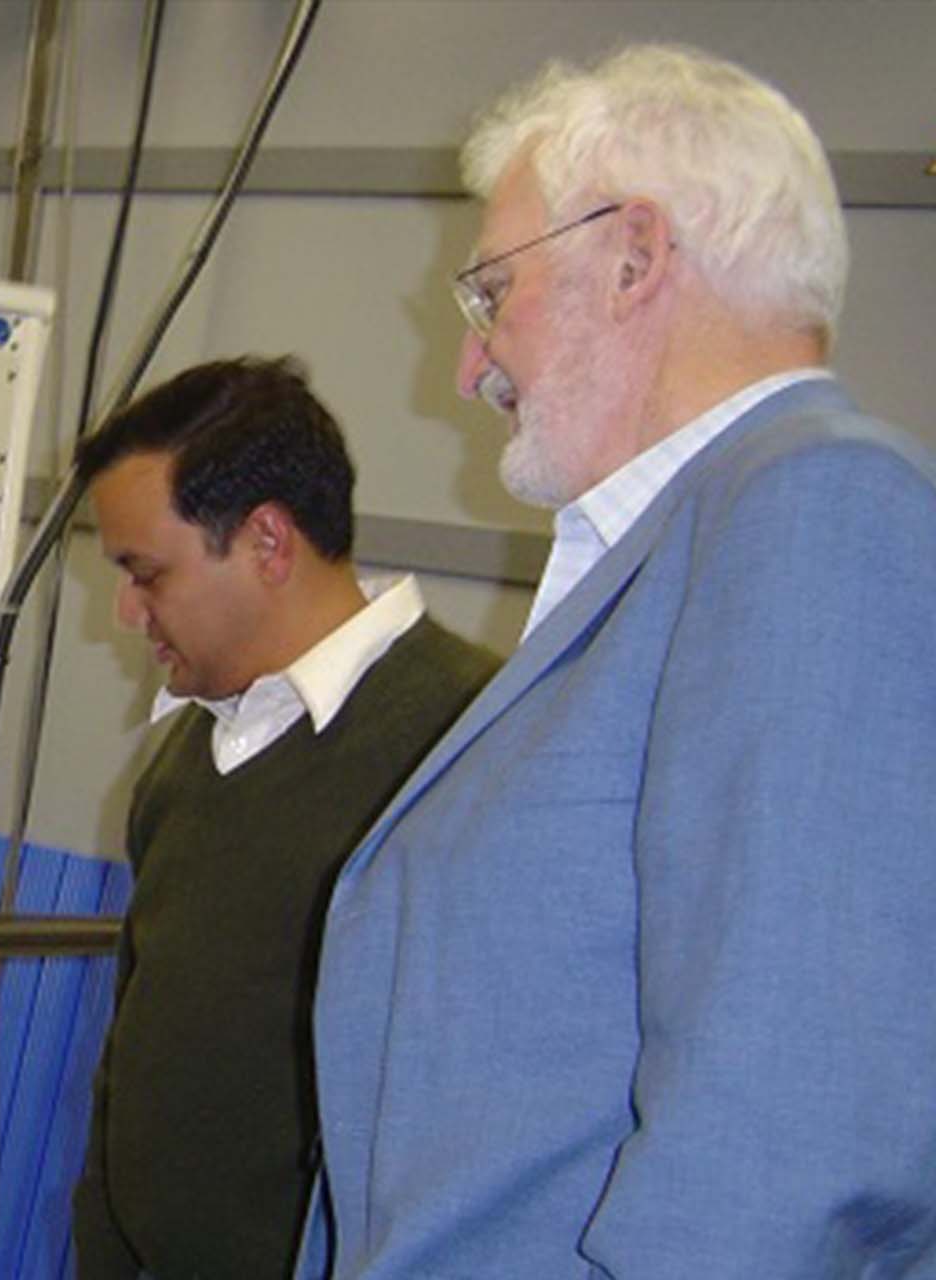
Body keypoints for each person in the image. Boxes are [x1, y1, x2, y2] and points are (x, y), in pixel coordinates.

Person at [300, 44, 936, 1279]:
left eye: (491, 294)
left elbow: (794, 1137)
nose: (468, 365)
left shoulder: (818, 509)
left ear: (634, 256)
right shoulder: (687, 543)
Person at [67, 357, 499, 1280]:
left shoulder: (470, 747)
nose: (125, 610)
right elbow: (132, 1059)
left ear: (267, 541)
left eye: (146, 573)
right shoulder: (191, 757)